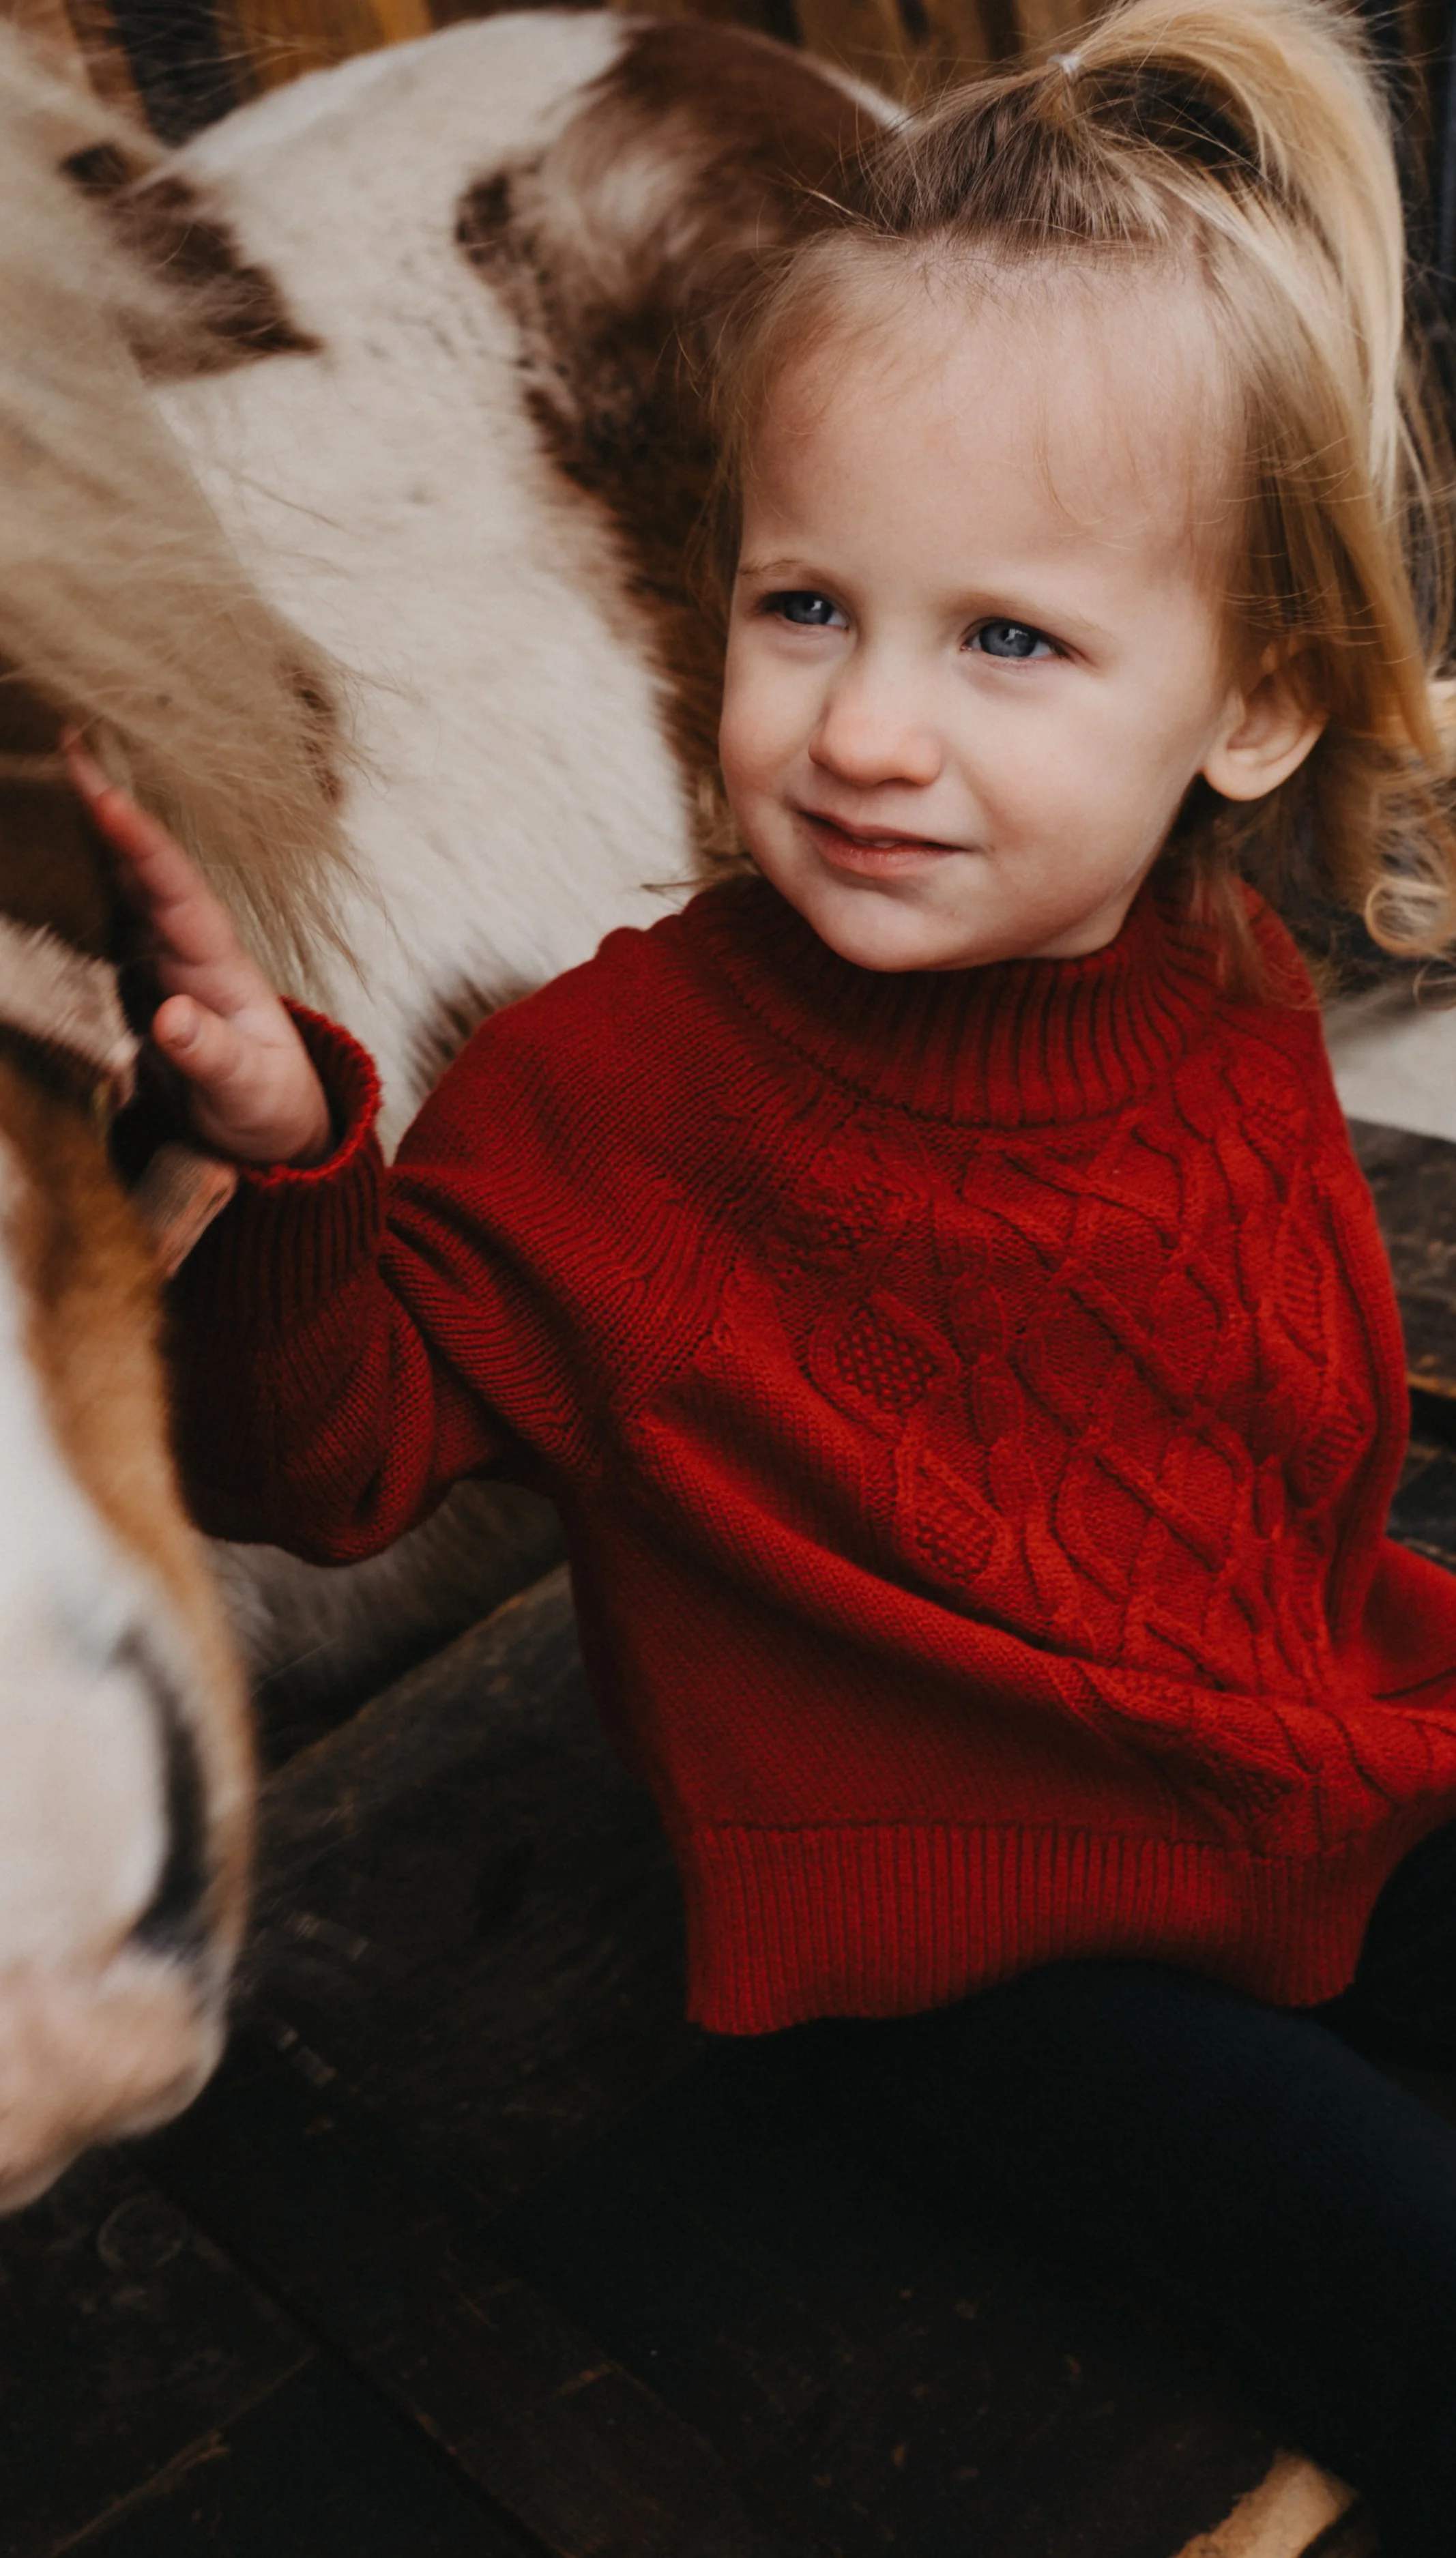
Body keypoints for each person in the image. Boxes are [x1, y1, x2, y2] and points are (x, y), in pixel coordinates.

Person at [73, 1, 1456, 2542]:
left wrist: (1331, 1689)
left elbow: (1293, 1438)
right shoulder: (634, 1097)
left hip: (1298, 1749)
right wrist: (288, 1175)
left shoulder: (1219, 991)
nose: (864, 730)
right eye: (803, 607)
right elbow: (332, 1456)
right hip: (972, 1943)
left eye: (1003, 642)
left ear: (1248, 703)